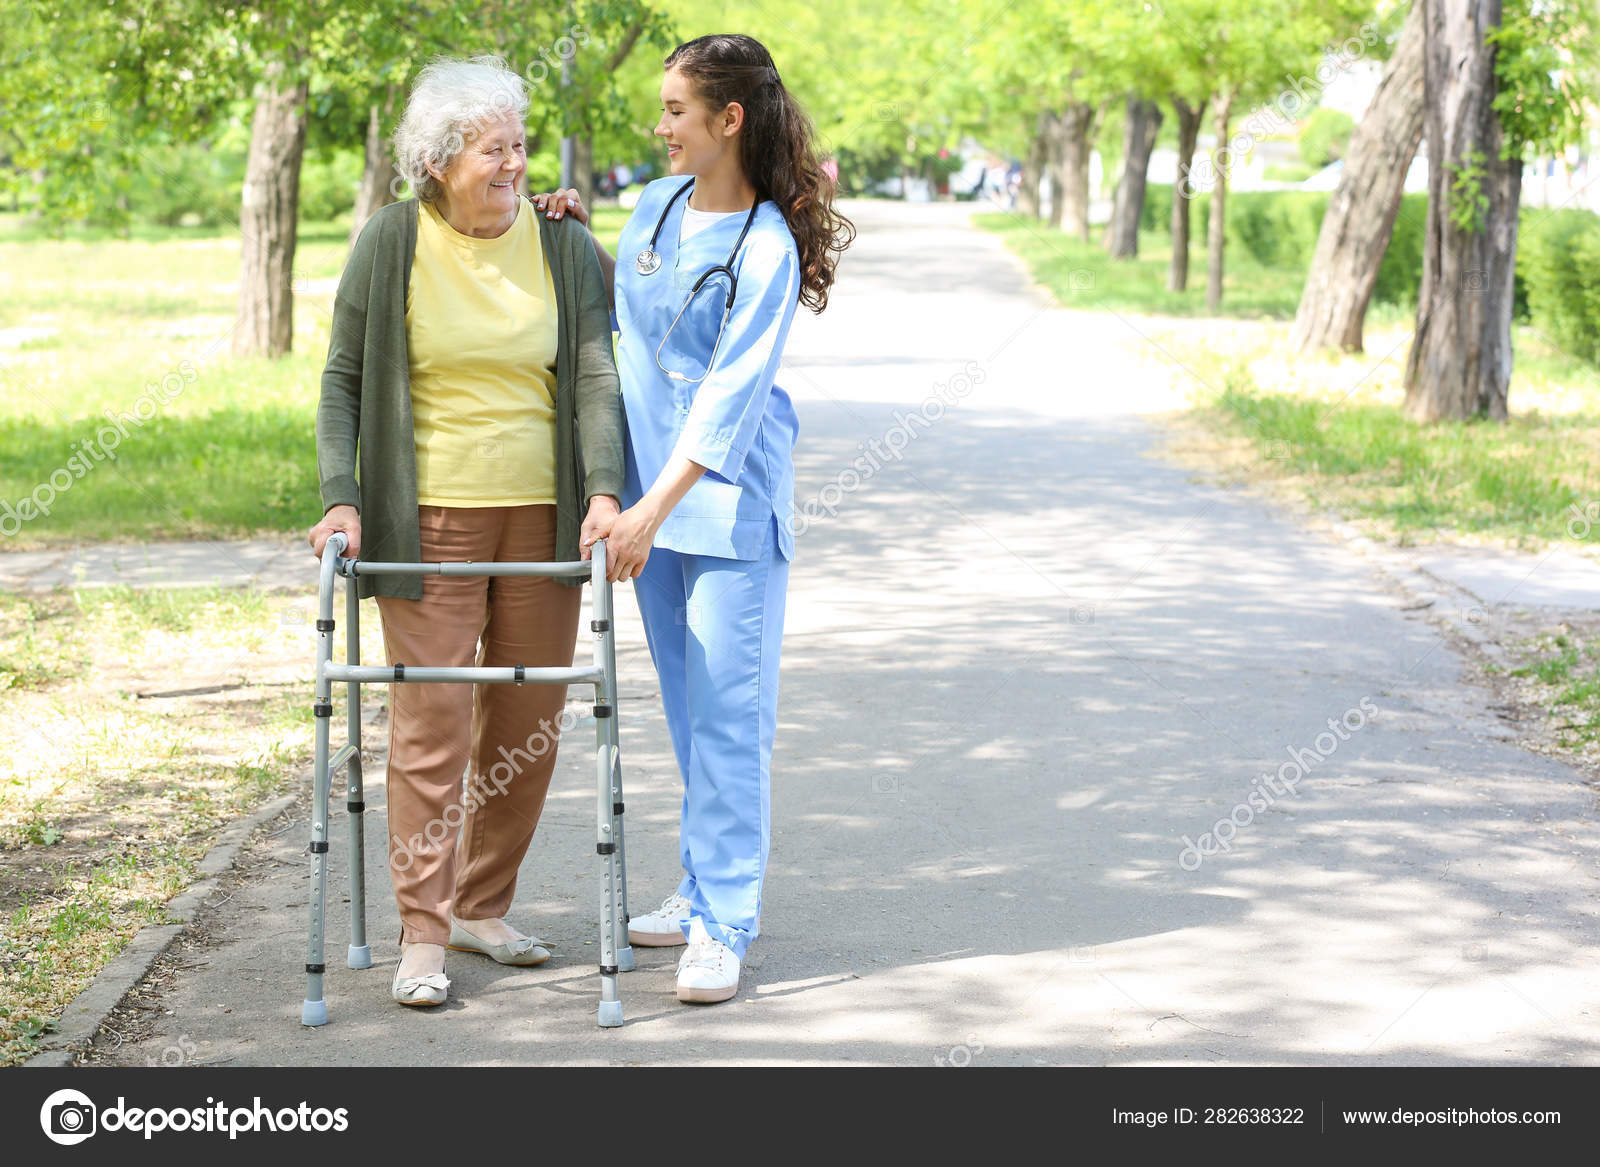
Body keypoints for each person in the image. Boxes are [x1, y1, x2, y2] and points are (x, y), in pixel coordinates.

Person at [534, 33, 854, 1004]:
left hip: (719, 509)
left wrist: (646, 514)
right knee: (686, 711)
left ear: (729, 120)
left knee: (728, 721)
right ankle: (698, 888)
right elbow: (635, 319)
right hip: (649, 505)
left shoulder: (764, 245)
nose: (660, 125)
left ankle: (726, 922)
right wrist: (576, 236)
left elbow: (727, 399)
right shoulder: (658, 205)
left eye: (676, 110)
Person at [309, 55, 625, 1008]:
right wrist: (339, 494)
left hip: (543, 516)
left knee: (528, 723)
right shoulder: (391, 240)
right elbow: (342, 379)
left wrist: (604, 490)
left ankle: (485, 905)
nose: (513, 165)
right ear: (443, 159)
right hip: (429, 516)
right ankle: (422, 931)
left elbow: (598, 375)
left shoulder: (562, 242)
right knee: (433, 721)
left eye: (520, 146)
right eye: (494, 150)